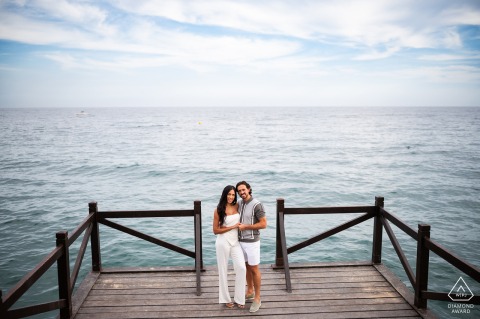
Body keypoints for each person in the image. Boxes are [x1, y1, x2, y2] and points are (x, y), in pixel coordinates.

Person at [213, 185, 246, 309]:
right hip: (223, 241)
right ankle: (225, 299)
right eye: (229, 194)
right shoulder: (218, 209)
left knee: (242, 268)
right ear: (224, 194)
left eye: (233, 195)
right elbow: (215, 230)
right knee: (223, 270)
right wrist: (233, 227)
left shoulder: (237, 205)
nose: (231, 197)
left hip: (235, 241)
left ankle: (239, 298)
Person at [236, 181, 267, 313]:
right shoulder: (239, 203)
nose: (242, 192)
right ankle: (250, 291)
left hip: (252, 242)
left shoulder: (257, 205)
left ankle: (257, 298)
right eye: (239, 191)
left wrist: (246, 227)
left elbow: (263, 224)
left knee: (254, 269)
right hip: (240, 241)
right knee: (245, 267)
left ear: (249, 189)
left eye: (243, 190)